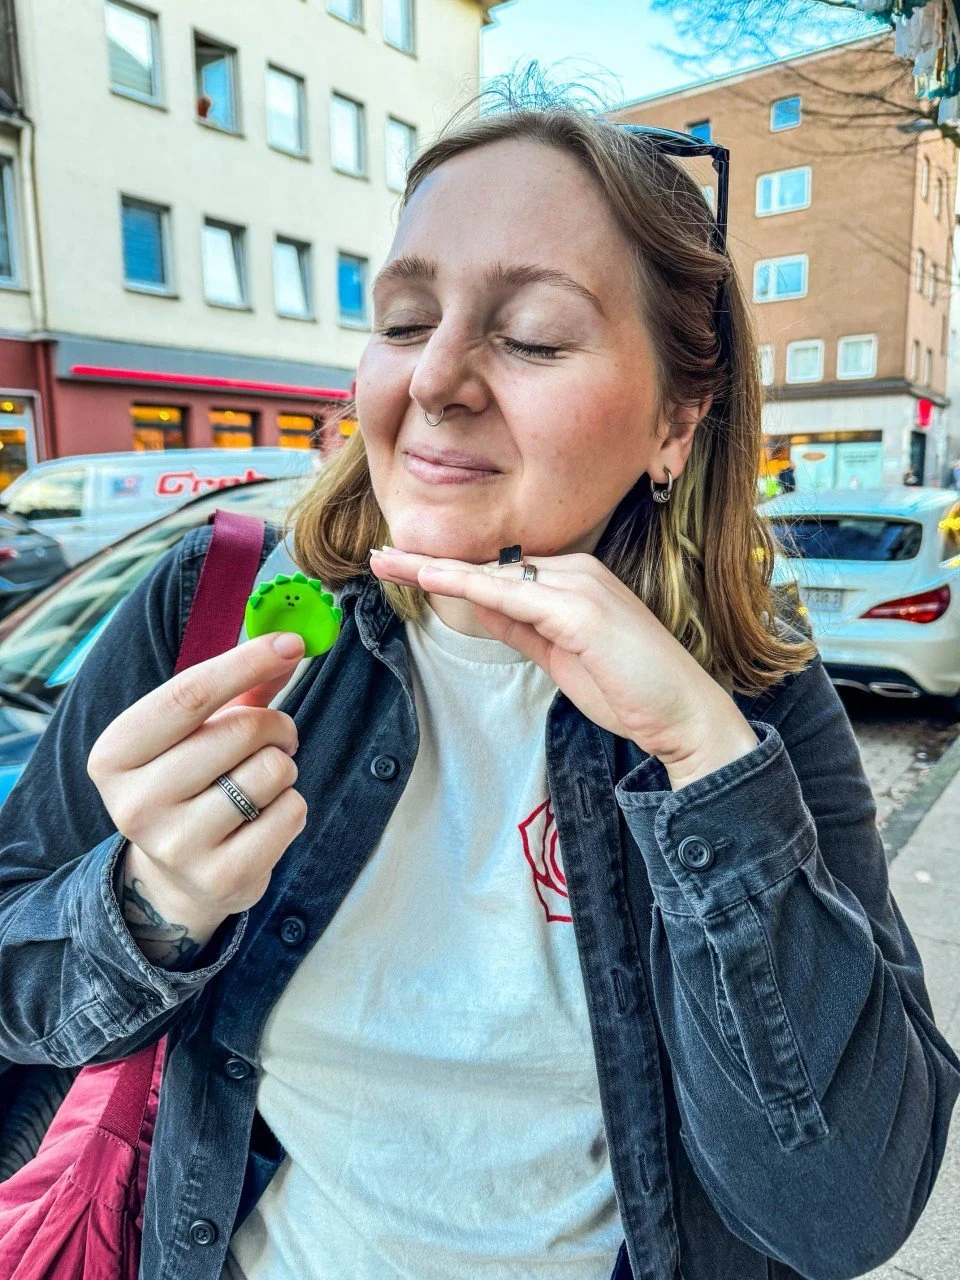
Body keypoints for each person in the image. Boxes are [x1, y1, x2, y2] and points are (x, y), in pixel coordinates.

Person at [1, 88, 958, 1280]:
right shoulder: (212, 603)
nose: (437, 379)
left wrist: (708, 764)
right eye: (403, 321)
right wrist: (143, 908)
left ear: (677, 420)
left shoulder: (747, 695)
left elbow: (845, 1208)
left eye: (535, 336)